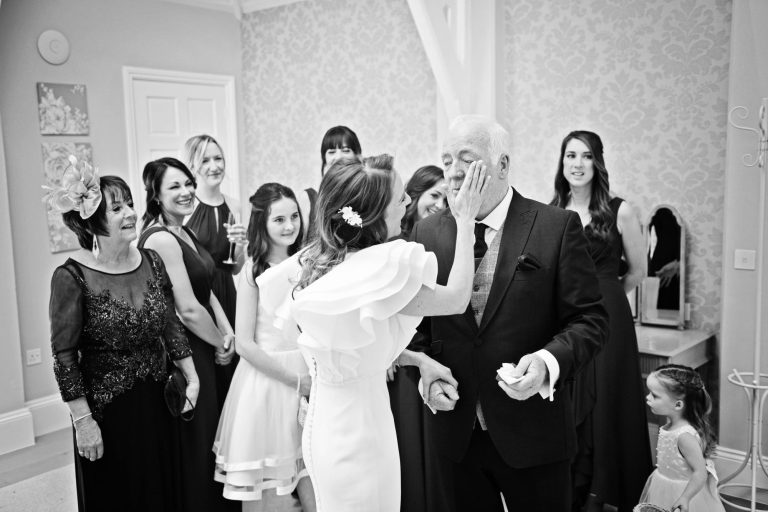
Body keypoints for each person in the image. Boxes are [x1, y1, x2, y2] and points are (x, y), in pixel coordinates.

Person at [256, 153, 487, 511]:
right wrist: (466, 221)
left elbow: (350, 346)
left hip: (328, 423)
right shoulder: (381, 267)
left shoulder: (323, 259)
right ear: (374, 214)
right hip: (360, 433)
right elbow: (456, 298)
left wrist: (416, 358)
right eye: (399, 198)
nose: (408, 201)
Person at [410, 116, 609, 512]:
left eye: (467, 158)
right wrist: (427, 377)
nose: (453, 172)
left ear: (502, 165)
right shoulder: (428, 232)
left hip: (534, 433)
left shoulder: (555, 226)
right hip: (456, 434)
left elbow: (590, 320)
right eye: (447, 159)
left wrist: (546, 361)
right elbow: (416, 327)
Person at [46, 158, 197, 512]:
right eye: (117, 208)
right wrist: (83, 423)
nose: (130, 212)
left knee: (163, 491)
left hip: (159, 401)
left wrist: (191, 376)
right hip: (107, 414)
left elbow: (170, 322)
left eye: (129, 203)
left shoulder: (151, 261)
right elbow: (64, 357)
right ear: (93, 220)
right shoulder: (71, 277)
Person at [550, 130, 652, 512]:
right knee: (570, 396)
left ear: (598, 163)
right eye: (570, 156)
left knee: (609, 397)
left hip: (609, 313)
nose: (577, 164)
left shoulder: (619, 210)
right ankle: (574, 490)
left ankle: (609, 491)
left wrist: (604, 294)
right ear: (562, 163)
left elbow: (638, 270)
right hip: (564, 317)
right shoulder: (553, 212)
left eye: (586, 156)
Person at [138, 157, 238, 512]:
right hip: (187, 348)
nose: (186, 192)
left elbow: (206, 289)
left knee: (217, 434)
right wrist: (219, 341)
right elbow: (188, 309)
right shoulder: (161, 238)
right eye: (174, 187)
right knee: (200, 438)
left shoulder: (184, 230)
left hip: (210, 340)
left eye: (187, 183)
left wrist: (229, 333)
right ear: (156, 195)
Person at [213, 183, 316, 512]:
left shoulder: (309, 264)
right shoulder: (252, 271)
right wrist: (296, 381)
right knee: (272, 489)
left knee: (314, 472)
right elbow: (245, 344)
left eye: (294, 217)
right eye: (280, 220)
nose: (290, 226)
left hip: (310, 373)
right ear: (263, 224)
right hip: (269, 383)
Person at [387, 163, 447, 511]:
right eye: (433, 195)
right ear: (413, 198)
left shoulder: (443, 239)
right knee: (407, 445)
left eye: (445, 196)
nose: (439, 203)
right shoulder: (395, 241)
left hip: (433, 352)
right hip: (401, 357)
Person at [183, 134, 246, 402]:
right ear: (193, 166)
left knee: (231, 371)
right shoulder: (186, 206)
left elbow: (234, 268)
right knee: (207, 373)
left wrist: (241, 246)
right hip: (198, 297)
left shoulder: (235, 204)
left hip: (227, 294)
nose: (214, 166)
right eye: (205, 160)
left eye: (218, 158)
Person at [640, 365, 724, 512]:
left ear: (677, 405)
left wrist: (685, 497)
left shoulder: (684, 436)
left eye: (654, 395)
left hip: (683, 491)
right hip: (663, 483)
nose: (647, 397)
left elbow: (700, 472)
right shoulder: (670, 423)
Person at [297, 125, 361, 245]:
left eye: (346, 150)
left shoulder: (365, 195)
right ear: (324, 159)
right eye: (331, 152)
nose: (338, 157)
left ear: (358, 156)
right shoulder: (308, 198)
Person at [399, 164, 448, 239]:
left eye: (445, 200)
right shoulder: (392, 235)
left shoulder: (445, 237)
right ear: (416, 193)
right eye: (434, 195)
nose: (441, 205)